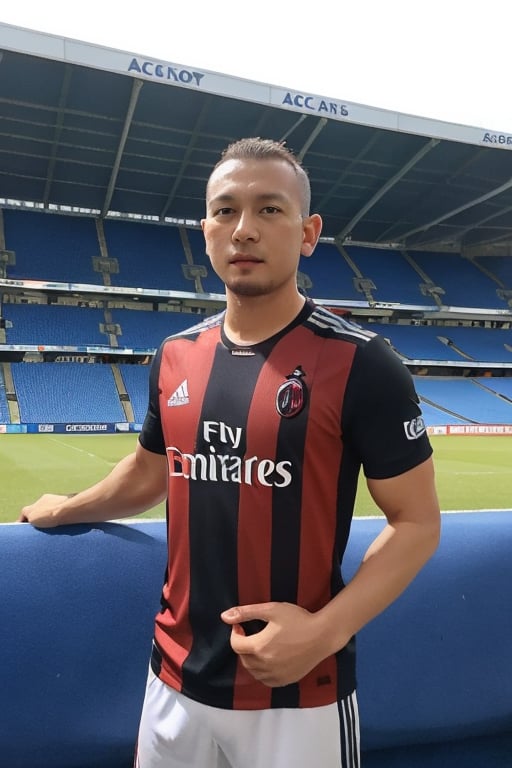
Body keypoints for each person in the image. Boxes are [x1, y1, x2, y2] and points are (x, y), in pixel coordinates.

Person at [19, 137, 441, 768]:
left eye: (270, 209)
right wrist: (65, 509)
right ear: (206, 231)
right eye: (225, 211)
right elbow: (147, 475)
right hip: (172, 679)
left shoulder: (363, 362)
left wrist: (323, 633)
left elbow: (417, 523)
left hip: (298, 693)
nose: (244, 229)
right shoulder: (174, 356)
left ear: (308, 232)